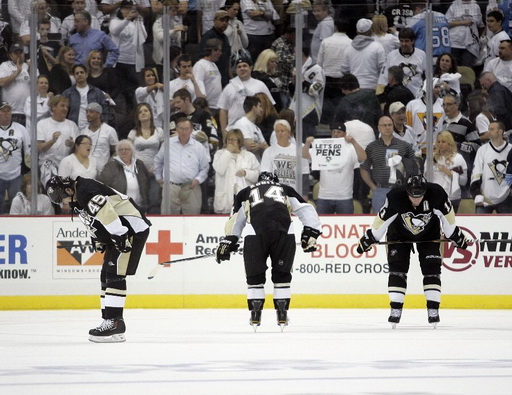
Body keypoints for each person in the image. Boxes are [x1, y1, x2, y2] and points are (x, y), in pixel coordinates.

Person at [45, 175, 151, 342]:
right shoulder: (78, 194)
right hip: (118, 230)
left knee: (115, 273)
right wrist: (99, 238)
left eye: (62, 198)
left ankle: (114, 322)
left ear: (67, 189)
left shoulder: (86, 189)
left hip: (130, 230)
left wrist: (119, 234)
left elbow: (105, 210)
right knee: (106, 275)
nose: (64, 203)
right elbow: (93, 218)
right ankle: (109, 321)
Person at [356, 174, 469, 328]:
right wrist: (369, 239)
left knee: (432, 269)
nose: (416, 200)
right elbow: (381, 222)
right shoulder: (396, 196)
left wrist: (457, 237)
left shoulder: (437, 194)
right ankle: (395, 309)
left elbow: (448, 220)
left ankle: (433, 310)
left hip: (429, 235)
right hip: (398, 236)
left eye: (419, 196)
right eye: (412, 196)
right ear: (407, 191)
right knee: (397, 270)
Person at [215, 171, 322, 330]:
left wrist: (230, 239)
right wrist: (310, 232)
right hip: (284, 233)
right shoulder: (285, 188)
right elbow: (306, 208)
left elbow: (237, 218)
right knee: (282, 275)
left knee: (255, 276)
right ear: (276, 181)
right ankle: (282, 313)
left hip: (255, 234)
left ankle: (255, 314)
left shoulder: (245, 192)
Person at [302, 123, 367, 214]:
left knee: (345, 226)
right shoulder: (324, 146)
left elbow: (363, 157)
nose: (336, 134)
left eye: (339, 132)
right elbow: (304, 155)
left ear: (345, 134)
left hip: (344, 197)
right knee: (322, 226)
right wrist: (307, 143)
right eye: (334, 132)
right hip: (324, 196)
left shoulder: (350, 149)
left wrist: (354, 142)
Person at [360, 115, 419, 214]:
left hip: (401, 190)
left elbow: (415, 165)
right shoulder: (372, 147)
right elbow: (364, 168)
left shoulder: (404, 145)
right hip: (380, 190)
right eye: (384, 125)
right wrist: (373, 187)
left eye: (389, 125)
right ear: (379, 128)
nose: (387, 127)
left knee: (402, 219)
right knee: (380, 222)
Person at [154, 117, 209, 214]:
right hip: (171, 187)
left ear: (191, 130)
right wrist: (158, 177)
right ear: (176, 129)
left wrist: (198, 180)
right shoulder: (168, 143)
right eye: (181, 128)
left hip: (191, 187)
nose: (184, 131)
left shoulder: (198, 147)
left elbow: (204, 168)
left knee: (192, 220)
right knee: (168, 220)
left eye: (186, 129)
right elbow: (158, 160)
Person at [218, 57, 274, 138]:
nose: (242, 68)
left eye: (245, 66)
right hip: (233, 130)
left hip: (255, 129)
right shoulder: (229, 87)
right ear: (236, 70)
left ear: (251, 68)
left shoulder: (260, 85)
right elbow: (223, 110)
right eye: (239, 67)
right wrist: (224, 132)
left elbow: (269, 106)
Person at [110, 0, 148, 116]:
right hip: (119, 62)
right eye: (125, 8)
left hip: (133, 63)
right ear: (120, 10)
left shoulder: (136, 22)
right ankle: (121, 116)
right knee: (119, 91)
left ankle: (134, 115)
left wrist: (138, 20)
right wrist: (127, 19)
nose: (128, 11)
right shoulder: (114, 21)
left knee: (132, 92)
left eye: (130, 8)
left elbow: (144, 37)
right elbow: (115, 31)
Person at [127, 102, 164, 214]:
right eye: (140, 112)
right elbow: (128, 152)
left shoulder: (159, 131)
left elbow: (164, 151)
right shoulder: (133, 133)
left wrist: (155, 167)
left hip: (155, 170)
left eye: (145, 111)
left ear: (151, 114)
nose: (143, 113)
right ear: (137, 116)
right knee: (139, 200)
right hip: (137, 170)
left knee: (154, 198)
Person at [212, 129, 260, 213]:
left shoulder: (249, 156)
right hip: (224, 203)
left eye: (233, 140)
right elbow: (219, 169)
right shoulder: (220, 154)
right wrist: (228, 152)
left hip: (244, 203)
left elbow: (258, 175)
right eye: (229, 139)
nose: (230, 142)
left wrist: (246, 173)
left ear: (239, 141)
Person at [37, 95, 80, 187]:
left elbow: (78, 150)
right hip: (48, 165)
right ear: (53, 107)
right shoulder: (42, 124)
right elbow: (40, 148)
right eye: (62, 105)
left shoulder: (72, 125)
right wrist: (52, 141)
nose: (65, 109)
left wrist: (72, 145)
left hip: (67, 166)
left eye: (67, 107)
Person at [470, 121, 512, 213]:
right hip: (485, 197)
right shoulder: (482, 150)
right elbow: (476, 172)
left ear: (500, 131)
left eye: (492, 129)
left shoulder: (510, 150)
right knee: (480, 224)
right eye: (488, 129)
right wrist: (476, 194)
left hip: (506, 197)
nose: (488, 131)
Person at [98, 139, 150, 213]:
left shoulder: (139, 164)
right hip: (118, 208)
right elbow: (101, 184)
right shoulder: (111, 165)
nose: (124, 151)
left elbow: (146, 182)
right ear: (117, 152)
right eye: (121, 149)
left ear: (132, 151)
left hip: (138, 206)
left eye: (127, 149)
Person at [378, 27, 427, 98]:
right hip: (396, 97)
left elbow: (428, 77)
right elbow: (383, 78)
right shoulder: (391, 55)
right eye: (401, 41)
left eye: (406, 41)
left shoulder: (422, 54)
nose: (404, 44)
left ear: (412, 41)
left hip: (417, 97)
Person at [340, 18, 386, 92]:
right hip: (372, 87)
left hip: (354, 88)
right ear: (371, 31)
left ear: (357, 32)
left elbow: (344, 70)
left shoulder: (348, 48)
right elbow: (383, 69)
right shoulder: (378, 47)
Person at [0, 102, 30, 214]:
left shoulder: (21, 129)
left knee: (16, 204)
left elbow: (28, 151)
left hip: (17, 175)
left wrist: (25, 171)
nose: (7, 114)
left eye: (9, 111)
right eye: (3, 111)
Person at [62, 64, 108, 130]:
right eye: (77, 73)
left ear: (86, 74)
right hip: (73, 127)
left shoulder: (96, 92)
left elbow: (104, 109)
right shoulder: (67, 93)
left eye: (82, 72)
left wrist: (104, 124)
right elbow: (62, 110)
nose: (79, 74)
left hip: (93, 128)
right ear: (74, 76)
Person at [432, 131, 468, 212]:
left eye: (443, 142)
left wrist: (451, 174)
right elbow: (427, 178)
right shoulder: (431, 158)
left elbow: (464, 181)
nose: (440, 144)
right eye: (438, 142)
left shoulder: (458, 158)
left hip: (452, 198)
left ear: (449, 143)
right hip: (435, 196)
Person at [80, 102, 119, 173]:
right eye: (86, 112)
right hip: (85, 170)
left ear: (98, 114)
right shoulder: (83, 132)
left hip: (103, 171)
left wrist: (109, 165)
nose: (88, 114)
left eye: (91, 112)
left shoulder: (109, 130)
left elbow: (116, 150)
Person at [0, 43, 32, 126]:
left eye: (20, 53)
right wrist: (17, 72)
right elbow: (2, 82)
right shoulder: (5, 66)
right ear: (10, 55)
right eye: (16, 53)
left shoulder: (28, 66)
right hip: (11, 111)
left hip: (27, 111)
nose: (19, 55)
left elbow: (37, 83)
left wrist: (30, 70)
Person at [445, 0, 483, 68]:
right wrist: (463, 22)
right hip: (455, 42)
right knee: (453, 67)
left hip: (471, 43)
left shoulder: (476, 6)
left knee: (467, 68)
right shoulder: (454, 5)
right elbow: (446, 22)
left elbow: (480, 24)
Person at [199, 10, 232, 87]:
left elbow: (228, 59)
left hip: (224, 77)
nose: (224, 23)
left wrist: (231, 78)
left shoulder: (225, 38)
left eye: (227, 21)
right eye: (221, 20)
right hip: (211, 77)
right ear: (214, 21)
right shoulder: (208, 36)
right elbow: (202, 57)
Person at [231, 95, 269, 161]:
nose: (262, 110)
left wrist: (259, 146)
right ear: (254, 107)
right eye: (260, 106)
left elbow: (266, 147)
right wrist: (261, 145)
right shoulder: (241, 123)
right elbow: (251, 146)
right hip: (244, 164)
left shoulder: (257, 128)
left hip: (256, 165)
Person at [192, 38, 223, 114]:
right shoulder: (200, 65)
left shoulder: (214, 65)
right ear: (212, 50)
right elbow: (198, 84)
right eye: (219, 50)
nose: (220, 53)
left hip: (217, 106)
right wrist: (203, 105)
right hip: (208, 108)